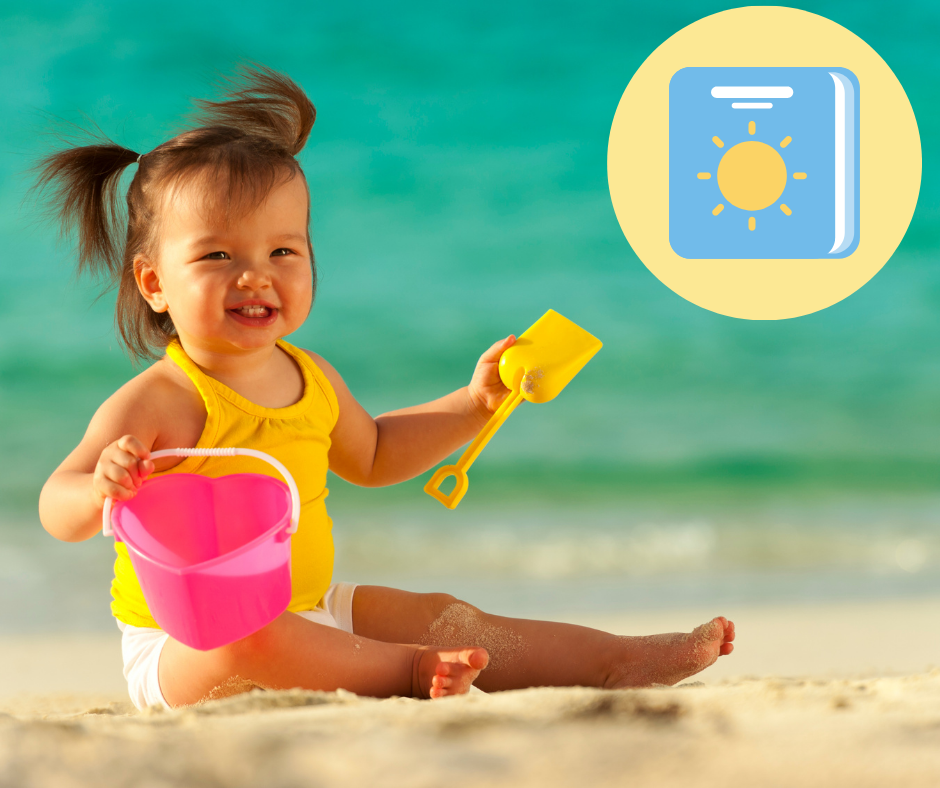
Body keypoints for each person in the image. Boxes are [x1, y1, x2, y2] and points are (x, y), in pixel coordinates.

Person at [31, 62, 734, 711]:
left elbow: (374, 456)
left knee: (441, 610)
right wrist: (100, 487)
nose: (256, 275)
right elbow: (55, 508)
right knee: (248, 637)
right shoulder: (162, 399)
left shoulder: (309, 376)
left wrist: (472, 404)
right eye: (217, 255)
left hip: (313, 607)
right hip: (186, 645)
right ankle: (408, 673)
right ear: (154, 282)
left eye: (283, 250)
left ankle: (612, 660)